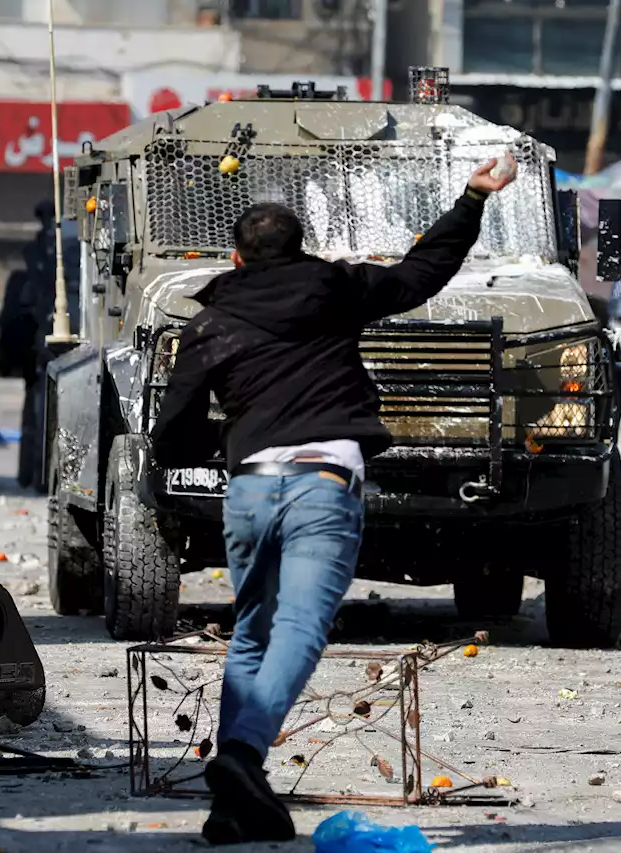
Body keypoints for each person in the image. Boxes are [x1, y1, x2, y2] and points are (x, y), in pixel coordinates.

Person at [151, 157, 518, 845]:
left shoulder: (211, 321)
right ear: (300, 249)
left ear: (235, 257)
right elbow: (421, 274)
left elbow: (170, 434)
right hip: (323, 482)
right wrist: (472, 197)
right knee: (300, 627)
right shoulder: (333, 286)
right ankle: (242, 754)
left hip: (252, 488)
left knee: (252, 632)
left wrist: (230, 435)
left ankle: (233, 807)